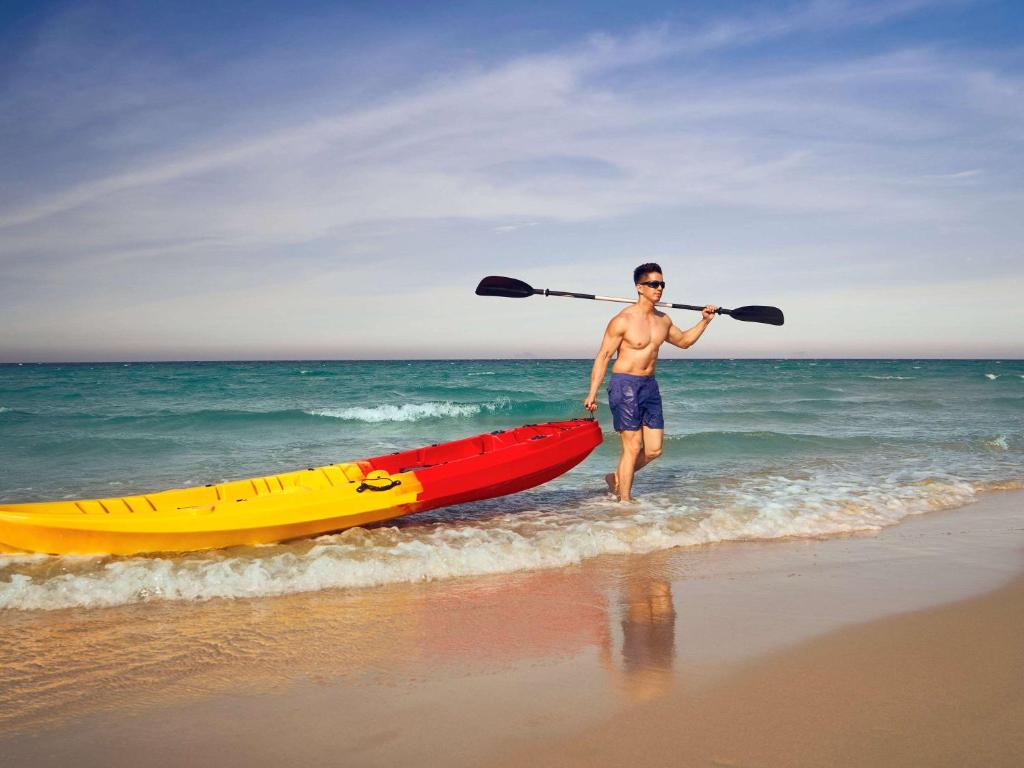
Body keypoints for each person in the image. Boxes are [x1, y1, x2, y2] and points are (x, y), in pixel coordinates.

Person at [583, 263, 717, 502]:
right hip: (624, 385)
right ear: (639, 287)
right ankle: (625, 502)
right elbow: (603, 356)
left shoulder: (663, 320)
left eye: (662, 284)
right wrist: (592, 393)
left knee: (654, 450)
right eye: (653, 284)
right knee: (632, 447)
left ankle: (616, 478)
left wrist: (705, 321)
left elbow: (685, 341)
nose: (659, 288)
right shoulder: (622, 320)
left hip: (649, 386)